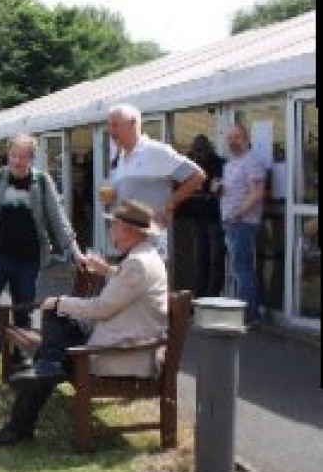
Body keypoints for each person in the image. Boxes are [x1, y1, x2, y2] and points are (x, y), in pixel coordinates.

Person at [0, 199, 169, 447]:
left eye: (113, 225)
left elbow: (102, 308)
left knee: (57, 315)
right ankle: (46, 370)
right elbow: (129, 285)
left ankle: (23, 415)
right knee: (57, 330)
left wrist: (61, 301)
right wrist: (107, 271)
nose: (110, 230)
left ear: (129, 230)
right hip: (124, 340)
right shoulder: (144, 257)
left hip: (121, 353)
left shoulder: (137, 263)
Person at [0, 134, 83, 368]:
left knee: (23, 307)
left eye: (23, 157)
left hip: (28, 259)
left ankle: (20, 355)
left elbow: (58, 219)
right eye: (13, 156)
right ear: (8, 155)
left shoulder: (42, 181)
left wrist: (75, 251)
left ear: (32, 158)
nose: (17, 161)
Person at [104, 103, 206, 258]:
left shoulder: (155, 151)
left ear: (133, 124)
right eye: (109, 125)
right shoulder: (119, 157)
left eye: (115, 125)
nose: (111, 131)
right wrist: (110, 197)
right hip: (127, 244)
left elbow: (197, 176)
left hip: (151, 245)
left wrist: (169, 205)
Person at [219, 124, 267, 327]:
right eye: (229, 138)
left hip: (242, 223)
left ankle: (249, 316)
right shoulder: (231, 164)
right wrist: (219, 187)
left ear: (246, 139)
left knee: (242, 269)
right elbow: (234, 190)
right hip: (231, 222)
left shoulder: (252, 161)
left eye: (237, 137)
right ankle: (246, 313)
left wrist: (238, 214)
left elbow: (257, 192)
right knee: (239, 269)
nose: (233, 141)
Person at [181, 134, 226, 297]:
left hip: (214, 215)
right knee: (201, 259)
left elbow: (218, 188)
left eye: (200, 150)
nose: (198, 153)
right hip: (198, 215)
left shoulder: (218, 163)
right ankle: (200, 296)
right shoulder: (190, 163)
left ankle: (211, 296)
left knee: (215, 260)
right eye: (196, 150)